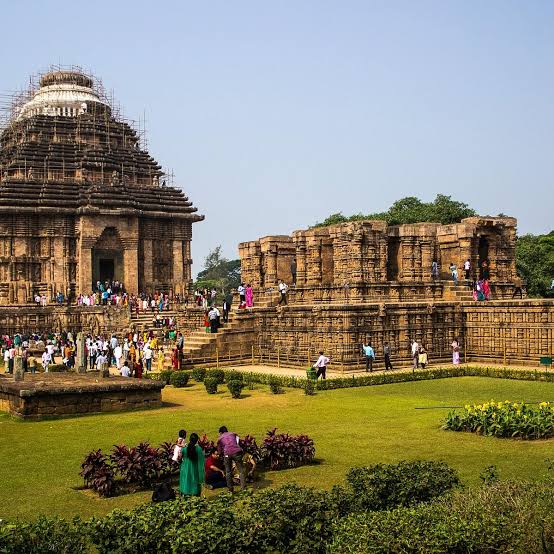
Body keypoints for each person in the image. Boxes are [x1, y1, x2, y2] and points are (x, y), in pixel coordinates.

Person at [217, 426, 245, 493]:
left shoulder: (220, 439)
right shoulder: (233, 434)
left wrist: (221, 454)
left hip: (227, 454)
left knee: (228, 472)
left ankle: (230, 489)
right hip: (236, 452)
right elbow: (238, 440)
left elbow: (219, 451)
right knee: (241, 470)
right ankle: (243, 488)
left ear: (221, 432)